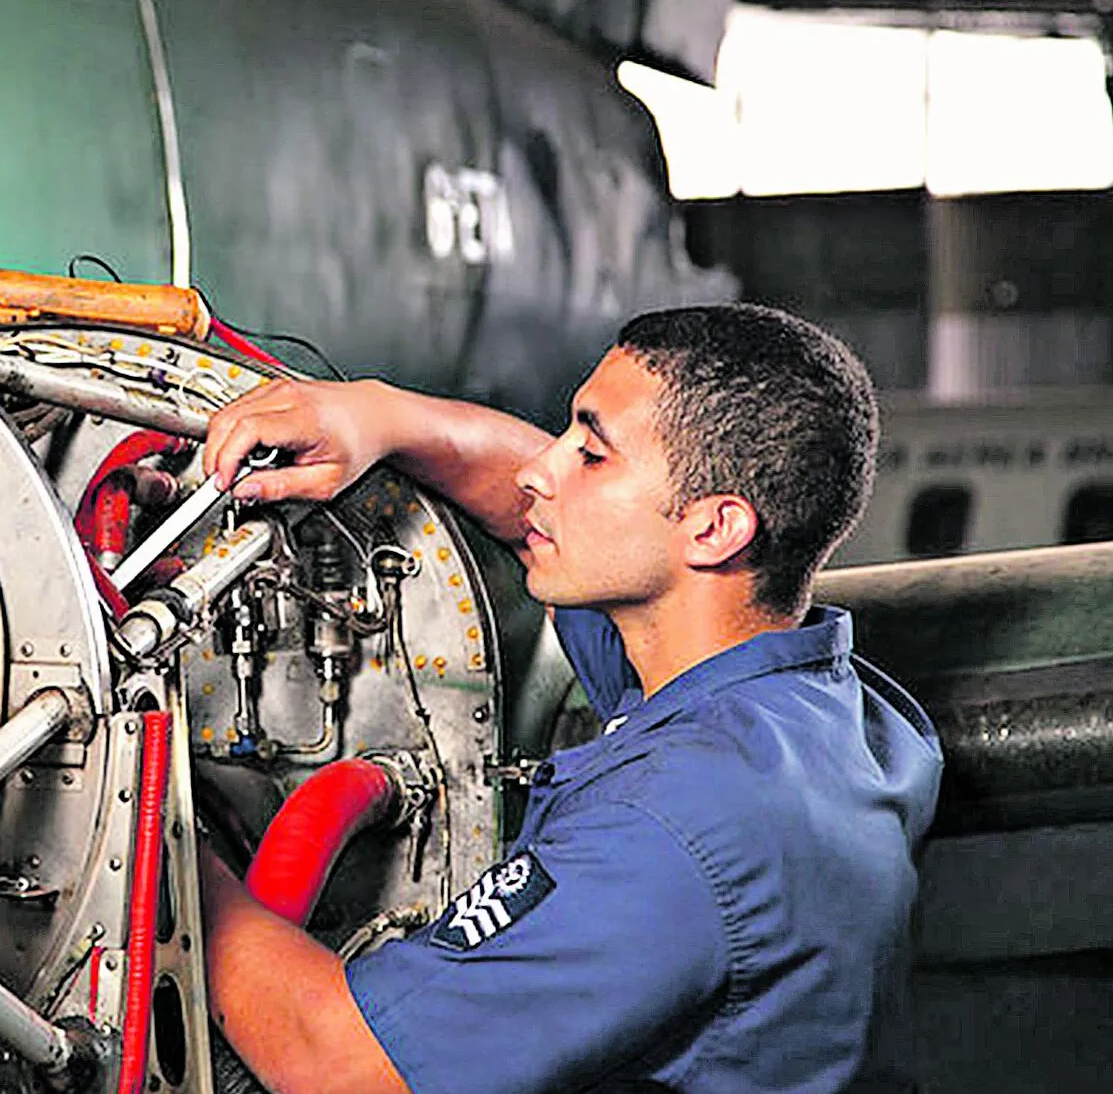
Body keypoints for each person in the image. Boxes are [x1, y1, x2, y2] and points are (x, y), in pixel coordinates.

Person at [195, 303, 943, 1094]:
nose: (538, 470)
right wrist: (381, 415)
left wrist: (170, 847)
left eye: (589, 453)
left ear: (714, 529)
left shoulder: (677, 824)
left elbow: (339, 1062)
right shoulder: (808, 701)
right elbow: (528, 514)